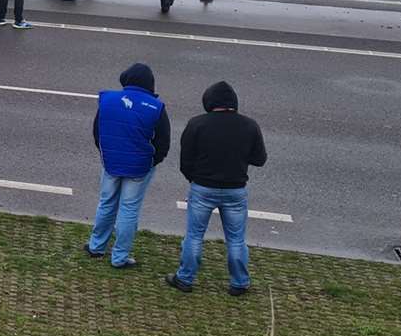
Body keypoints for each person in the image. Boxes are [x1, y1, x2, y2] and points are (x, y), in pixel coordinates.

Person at [168, 81, 267, 296]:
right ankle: (239, 282)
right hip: (235, 190)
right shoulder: (249, 125)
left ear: (208, 102)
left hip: (202, 188)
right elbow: (260, 159)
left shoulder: (197, 124)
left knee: (194, 236)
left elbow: (185, 160)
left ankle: (185, 278)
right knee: (236, 239)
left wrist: (194, 179)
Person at [87, 63, 171, 269]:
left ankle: (96, 246)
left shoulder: (107, 100)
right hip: (140, 167)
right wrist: (153, 161)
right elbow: (163, 142)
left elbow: (98, 132)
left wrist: (106, 154)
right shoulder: (155, 107)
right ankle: (119, 257)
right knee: (129, 209)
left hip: (111, 162)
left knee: (106, 202)